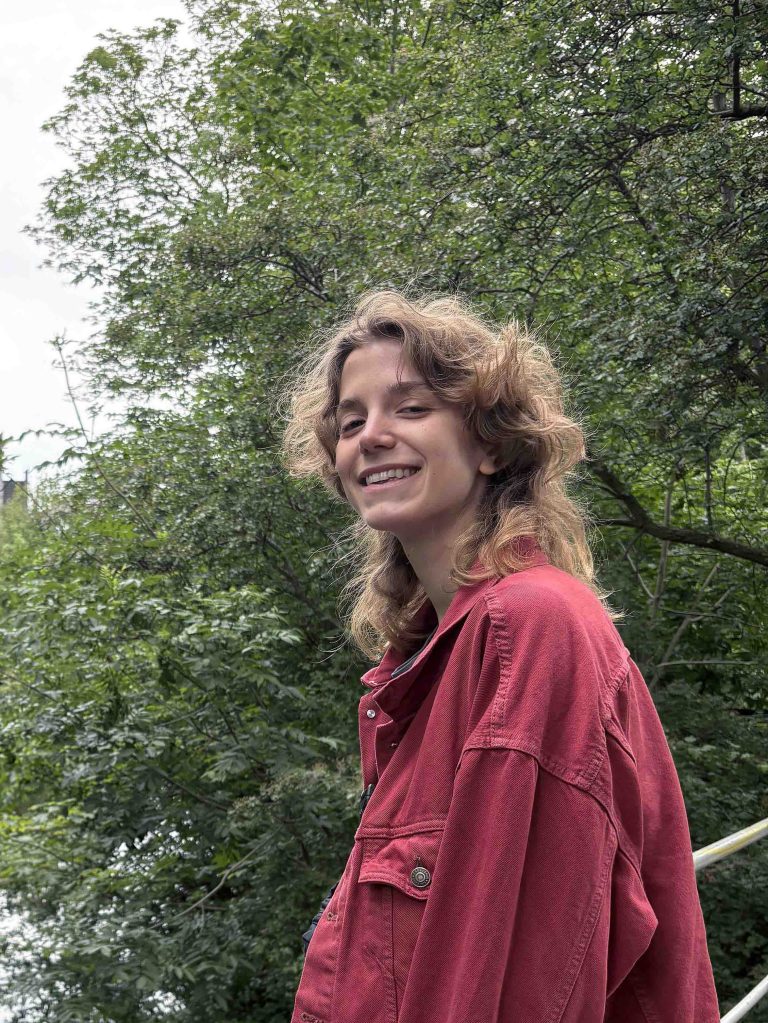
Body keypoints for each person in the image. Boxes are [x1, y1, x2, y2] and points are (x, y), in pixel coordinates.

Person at [279, 289, 720, 1023]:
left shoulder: (527, 629)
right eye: (351, 422)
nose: (371, 436)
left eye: (411, 408)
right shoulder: (432, 662)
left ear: (491, 444)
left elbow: (508, 972)